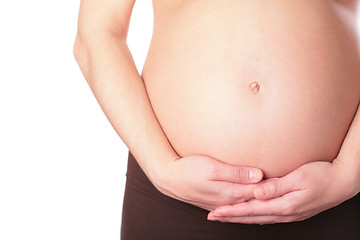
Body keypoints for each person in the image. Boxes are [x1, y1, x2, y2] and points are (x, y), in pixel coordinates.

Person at [73, 0, 360, 239]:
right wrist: (161, 168)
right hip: (175, 200)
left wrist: (349, 173)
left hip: (334, 199)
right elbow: (97, 33)